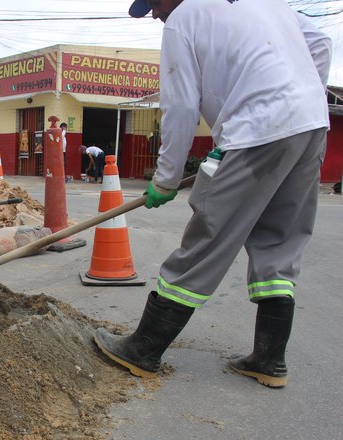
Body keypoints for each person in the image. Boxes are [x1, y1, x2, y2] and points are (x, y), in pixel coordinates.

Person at [93, 0, 331, 389]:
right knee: (279, 239)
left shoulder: (183, 19)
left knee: (209, 232)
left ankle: (144, 349)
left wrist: (166, 178)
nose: (155, 14)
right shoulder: (264, 4)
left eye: (154, 4)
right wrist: (302, 98)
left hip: (260, 128)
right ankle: (269, 360)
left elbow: (182, 103)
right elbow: (320, 42)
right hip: (310, 125)